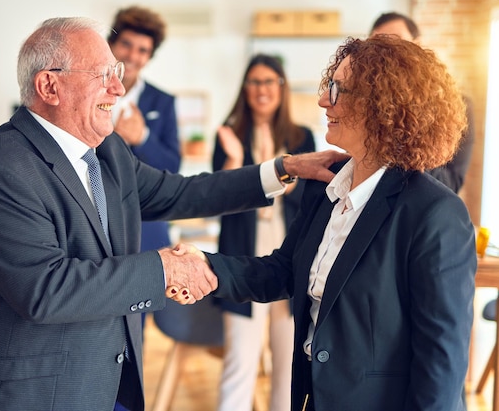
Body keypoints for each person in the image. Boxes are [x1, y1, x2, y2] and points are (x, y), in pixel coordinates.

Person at [0, 17, 347, 411]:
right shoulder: (3, 168)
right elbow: (45, 289)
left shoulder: (109, 151)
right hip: (31, 394)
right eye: (103, 74)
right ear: (50, 85)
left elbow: (182, 192)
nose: (118, 88)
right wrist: (164, 269)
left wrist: (283, 169)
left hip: (108, 381)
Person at [171, 35, 477, 411]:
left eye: (338, 90)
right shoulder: (326, 184)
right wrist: (208, 266)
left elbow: (441, 362)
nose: (322, 100)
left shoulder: (435, 213)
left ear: (382, 106)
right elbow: (283, 271)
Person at [212, 53, 315, 411]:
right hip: (243, 260)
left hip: (290, 261)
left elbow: (309, 196)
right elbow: (217, 194)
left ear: (281, 87)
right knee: (239, 362)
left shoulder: (303, 137)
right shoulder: (228, 135)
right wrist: (234, 157)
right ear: (245, 88)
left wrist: (279, 176)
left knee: (289, 368)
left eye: (269, 81)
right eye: (254, 81)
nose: (262, 89)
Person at [107, 6, 181, 334]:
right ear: (112, 44)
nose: (133, 56)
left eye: (143, 50)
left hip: (143, 222)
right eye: (126, 45)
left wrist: (143, 137)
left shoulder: (162, 102)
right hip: (93, 216)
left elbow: (172, 165)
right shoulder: (87, 91)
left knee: (136, 317)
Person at [370, 11, 474, 194]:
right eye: (379, 43)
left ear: (417, 44)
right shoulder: (366, 102)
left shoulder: (457, 105)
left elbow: (451, 183)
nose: (389, 50)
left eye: (397, 39)